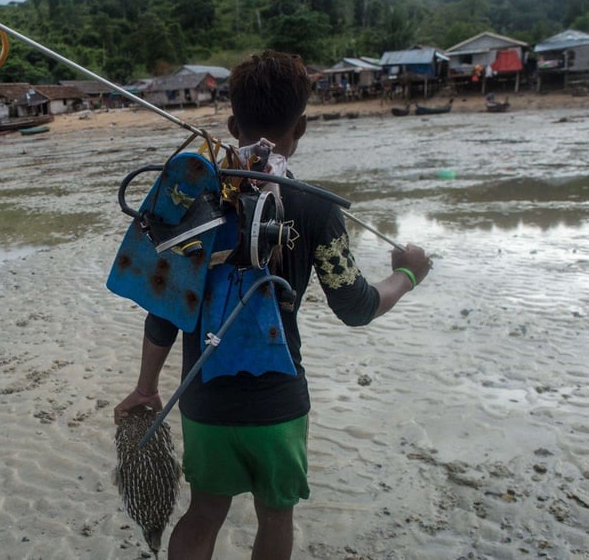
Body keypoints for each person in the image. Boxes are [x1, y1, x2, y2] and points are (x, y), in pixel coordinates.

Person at [113, 50, 433, 559]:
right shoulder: (315, 207)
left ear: (232, 123)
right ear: (301, 127)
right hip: (279, 404)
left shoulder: (195, 196)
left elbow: (166, 309)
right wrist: (409, 273)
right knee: (276, 515)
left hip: (204, 398)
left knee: (204, 512)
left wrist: (146, 387)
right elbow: (358, 306)